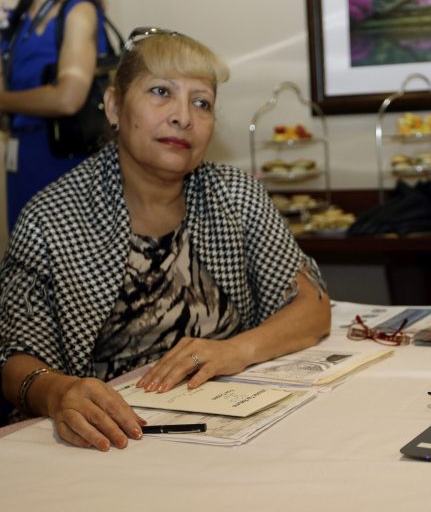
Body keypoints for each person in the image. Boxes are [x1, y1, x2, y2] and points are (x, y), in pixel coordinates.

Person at [0, 27, 332, 450]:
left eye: (201, 102)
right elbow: (13, 359)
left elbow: (312, 308)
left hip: (232, 426)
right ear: (114, 106)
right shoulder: (52, 216)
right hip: (109, 439)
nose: (183, 117)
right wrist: (58, 392)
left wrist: (236, 350)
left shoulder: (235, 194)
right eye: (161, 92)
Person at [0, 0, 110, 232]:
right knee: (24, 246)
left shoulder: (79, 11)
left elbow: (68, 99)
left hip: (65, 156)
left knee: (64, 245)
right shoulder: (16, 21)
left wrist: (4, 101)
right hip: (22, 158)